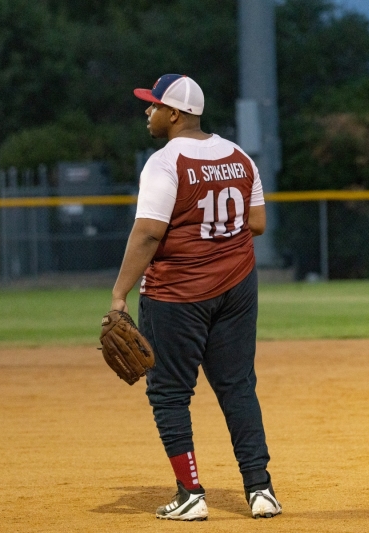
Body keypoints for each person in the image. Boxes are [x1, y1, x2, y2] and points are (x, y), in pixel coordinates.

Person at [110, 74, 281, 521]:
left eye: (153, 105)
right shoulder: (238, 156)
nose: (148, 112)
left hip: (178, 293)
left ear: (176, 113)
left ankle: (190, 494)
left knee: (168, 393)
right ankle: (260, 490)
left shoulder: (165, 162)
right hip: (238, 285)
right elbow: (258, 222)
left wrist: (118, 294)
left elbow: (148, 234)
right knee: (238, 385)